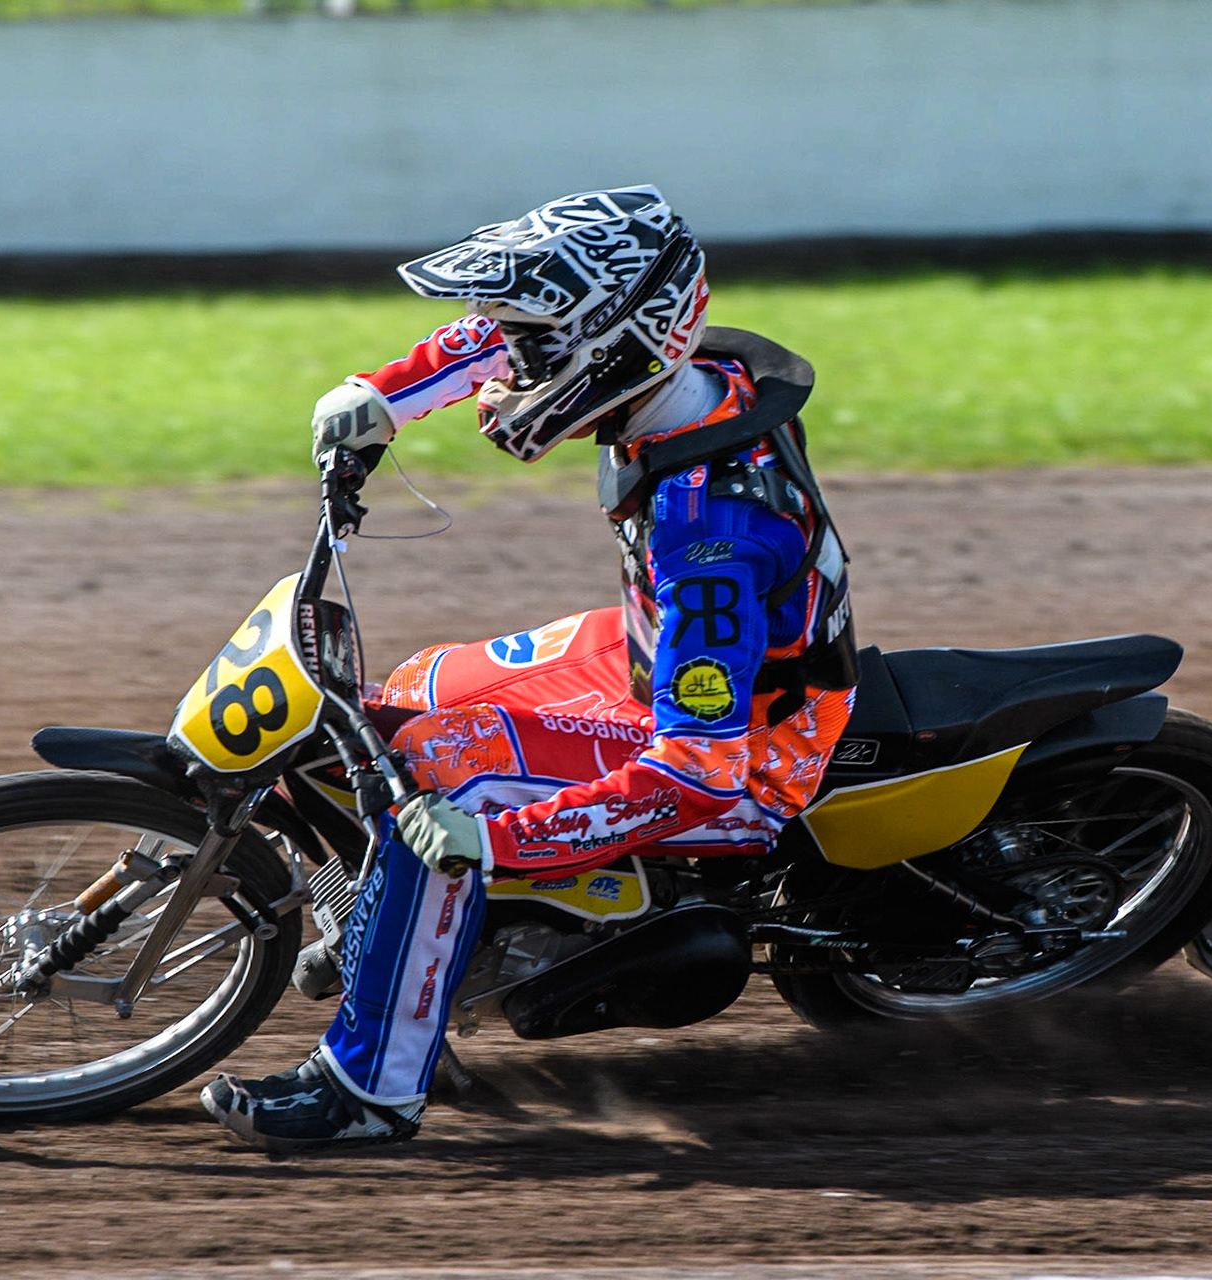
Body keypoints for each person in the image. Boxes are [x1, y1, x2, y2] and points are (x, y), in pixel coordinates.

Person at [202, 185, 858, 1152]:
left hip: (749, 744)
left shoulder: (708, 534)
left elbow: (698, 775)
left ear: (616, 344)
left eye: (536, 344)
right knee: (407, 696)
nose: (508, 362)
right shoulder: (687, 375)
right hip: (657, 650)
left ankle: (368, 1092)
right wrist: (381, 395)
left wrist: (493, 841)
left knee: (438, 798)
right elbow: (500, 340)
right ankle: (408, 941)